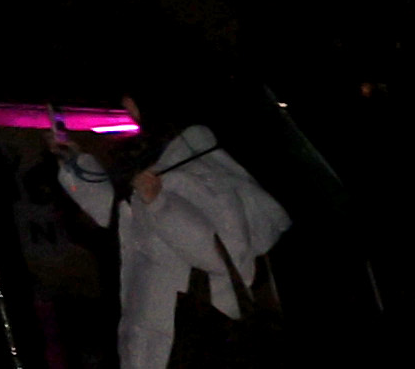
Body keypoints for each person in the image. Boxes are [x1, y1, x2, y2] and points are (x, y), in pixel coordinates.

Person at [55, 103, 292, 369]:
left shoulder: (201, 173)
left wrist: (159, 204)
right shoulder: (166, 166)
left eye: (133, 107)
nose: (131, 116)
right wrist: (75, 165)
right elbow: (123, 218)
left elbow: (226, 253)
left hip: (194, 343)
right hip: (159, 344)